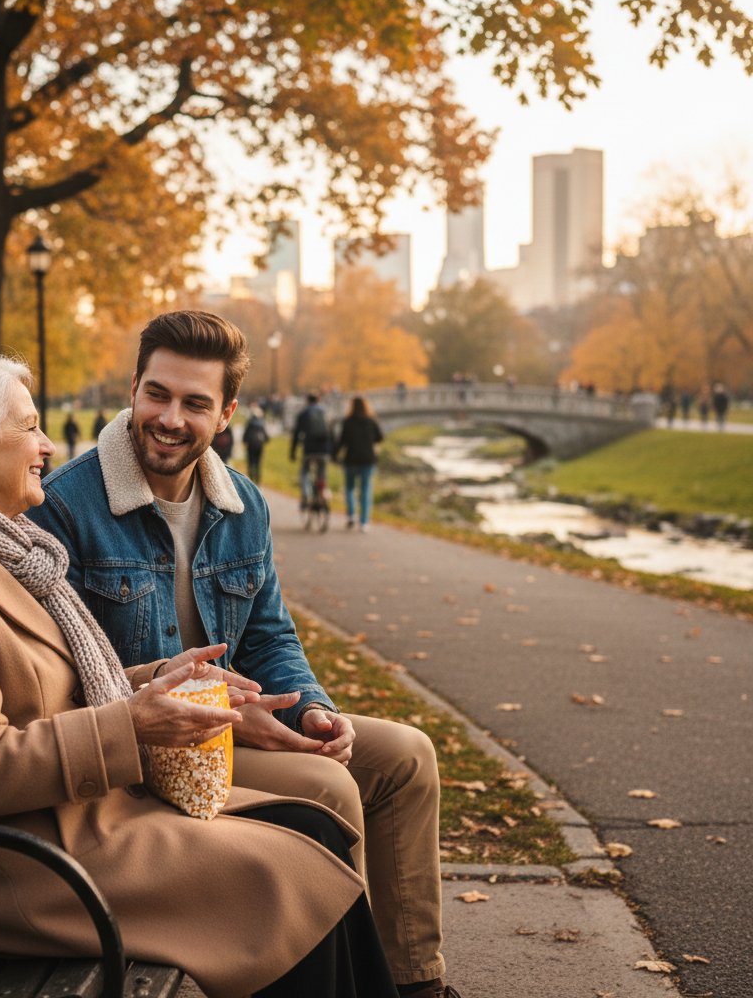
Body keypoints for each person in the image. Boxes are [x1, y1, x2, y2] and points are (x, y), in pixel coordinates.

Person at [0, 350, 397, 998]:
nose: (45, 444)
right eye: (27, 427)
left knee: (315, 830)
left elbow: (49, 690)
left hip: (75, 824)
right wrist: (133, 725)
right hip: (24, 867)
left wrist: (157, 677)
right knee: (293, 873)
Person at [32, 311, 459, 998]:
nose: (170, 419)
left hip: (226, 729)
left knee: (406, 758)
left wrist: (311, 709)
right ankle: (335, 980)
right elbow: (65, 677)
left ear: (226, 413)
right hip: (141, 751)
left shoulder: (244, 507)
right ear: (133, 388)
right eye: (157, 395)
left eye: (195, 403)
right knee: (330, 788)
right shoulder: (63, 507)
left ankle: (415, 985)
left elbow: (269, 637)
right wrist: (218, 706)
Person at [333, 396, 384, 532]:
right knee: (366, 489)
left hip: (351, 460)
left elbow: (341, 441)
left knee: (350, 488)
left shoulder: (348, 422)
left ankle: (351, 515)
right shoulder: (371, 421)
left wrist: (334, 455)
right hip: (367, 460)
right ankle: (364, 522)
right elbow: (380, 437)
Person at [290, 392, 333, 510]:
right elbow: (331, 432)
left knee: (304, 472)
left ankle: (307, 495)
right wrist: (332, 451)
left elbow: (296, 435)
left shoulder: (303, 414)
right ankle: (323, 492)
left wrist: (293, 452)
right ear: (319, 400)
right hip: (324, 450)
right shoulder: (325, 413)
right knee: (322, 472)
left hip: (309, 450)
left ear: (307, 401)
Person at [242, 405, 269, 485]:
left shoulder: (250, 422)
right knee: (258, 464)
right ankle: (258, 481)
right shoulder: (262, 423)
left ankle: (251, 480)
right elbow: (266, 437)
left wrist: (244, 441)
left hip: (251, 446)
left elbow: (245, 435)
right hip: (259, 446)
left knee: (251, 463)